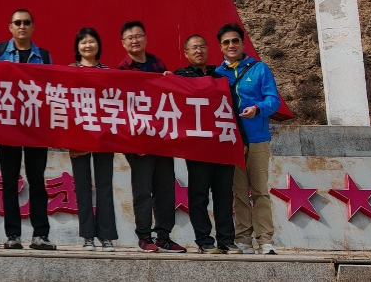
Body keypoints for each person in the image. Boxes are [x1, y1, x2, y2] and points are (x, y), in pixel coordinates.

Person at [116, 20, 185, 253]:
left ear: (145, 38)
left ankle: (164, 236)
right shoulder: (121, 71)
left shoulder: (157, 63)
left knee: (165, 188)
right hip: (138, 141)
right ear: (123, 43)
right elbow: (120, 108)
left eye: (138, 36)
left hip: (162, 138)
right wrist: (129, 141)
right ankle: (144, 236)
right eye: (130, 38)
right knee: (143, 189)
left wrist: (170, 79)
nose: (135, 40)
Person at [0, 9, 54, 250]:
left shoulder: (43, 56)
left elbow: (51, 89)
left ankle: (41, 235)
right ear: (10, 27)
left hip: (36, 127)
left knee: (37, 181)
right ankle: (13, 235)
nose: (22, 26)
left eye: (27, 22)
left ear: (33, 26)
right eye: (17, 22)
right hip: (8, 126)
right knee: (9, 182)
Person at [214, 23, 282, 256]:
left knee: (260, 190)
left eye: (235, 41)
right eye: (226, 42)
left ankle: (265, 240)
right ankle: (243, 239)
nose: (231, 45)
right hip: (231, 141)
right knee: (239, 192)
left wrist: (257, 108)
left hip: (258, 139)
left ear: (243, 43)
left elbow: (273, 100)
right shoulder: (217, 74)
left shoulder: (259, 69)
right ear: (220, 47)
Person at [174, 34, 237, 254]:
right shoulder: (180, 77)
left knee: (224, 195)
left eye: (202, 46)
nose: (198, 51)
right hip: (198, 147)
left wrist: (242, 140)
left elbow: (232, 110)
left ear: (208, 50)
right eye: (194, 48)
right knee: (199, 196)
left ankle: (226, 240)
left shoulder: (220, 77)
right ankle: (204, 240)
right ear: (186, 53)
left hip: (222, 144)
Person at [68, 27, 117, 252]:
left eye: (91, 41)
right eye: (83, 42)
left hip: (104, 135)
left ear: (98, 45)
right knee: (82, 186)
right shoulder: (69, 71)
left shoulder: (108, 71)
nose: (88, 45)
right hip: (79, 135)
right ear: (77, 47)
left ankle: (106, 236)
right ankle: (88, 236)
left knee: (105, 186)